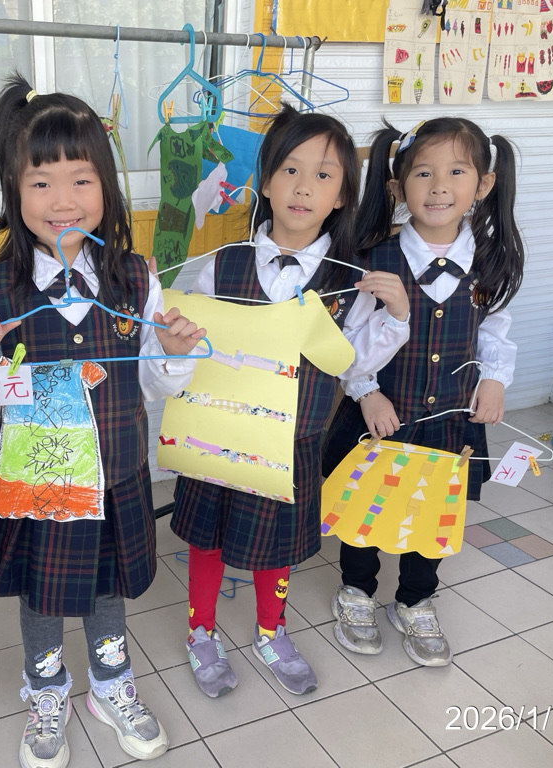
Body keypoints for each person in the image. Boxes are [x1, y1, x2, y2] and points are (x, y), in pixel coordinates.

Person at [0, 73, 204, 768]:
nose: (62, 200)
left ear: (107, 188)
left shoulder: (137, 278)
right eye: (41, 182)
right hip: (38, 483)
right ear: (15, 190)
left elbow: (152, 381)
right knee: (41, 594)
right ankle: (47, 691)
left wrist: (176, 355)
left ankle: (110, 685)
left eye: (81, 180)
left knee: (107, 587)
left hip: (116, 474)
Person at [171, 103, 411, 699]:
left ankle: (270, 630)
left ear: (341, 195)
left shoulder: (349, 281)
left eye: (323, 175)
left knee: (275, 546)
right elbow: (189, 346)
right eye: (290, 170)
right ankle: (201, 631)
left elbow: (353, 364)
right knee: (207, 538)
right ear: (266, 181)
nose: (304, 187)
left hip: (292, 442)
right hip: (218, 434)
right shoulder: (221, 265)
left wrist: (397, 318)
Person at [323, 117, 523, 667]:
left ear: (483, 184)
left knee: (432, 515)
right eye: (423, 173)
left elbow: (494, 331)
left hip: (451, 424)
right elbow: (348, 342)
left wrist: (495, 379)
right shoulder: (375, 257)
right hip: (381, 418)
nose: (439, 187)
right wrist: (366, 391)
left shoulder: (489, 260)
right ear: (397, 186)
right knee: (365, 512)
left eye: (456, 172)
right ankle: (356, 591)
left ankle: (415, 599)